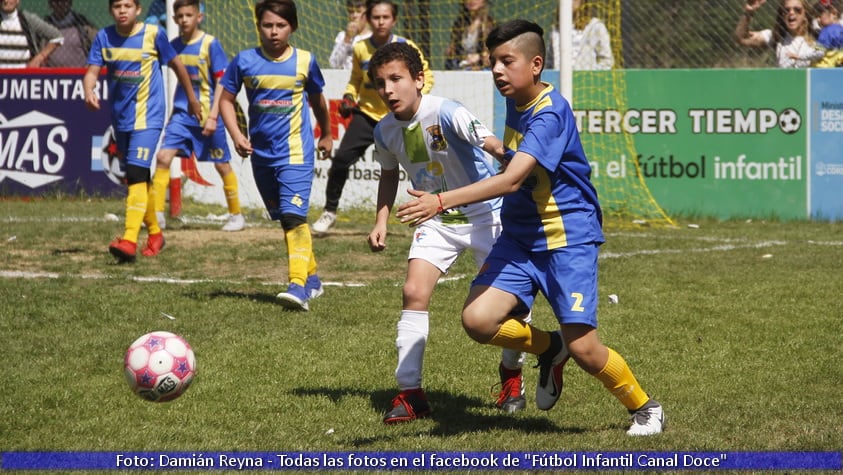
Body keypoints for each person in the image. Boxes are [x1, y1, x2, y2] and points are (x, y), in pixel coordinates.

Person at [396, 19, 665, 436]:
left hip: (566, 239)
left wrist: (440, 200)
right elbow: (514, 161)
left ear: (536, 64)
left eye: (507, 61)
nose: (497, 71)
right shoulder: (515, 99)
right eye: (493, 62)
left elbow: (512, 180)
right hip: (521, 236)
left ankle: (646, 408)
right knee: (478, 321)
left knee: (586, 349)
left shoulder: (550, 113)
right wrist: (499, 151)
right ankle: (549, 347)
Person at [366, 42, 528, 423]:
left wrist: (519, 163)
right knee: (413, 291)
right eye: (380, 83)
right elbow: (389, 175)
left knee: (510, 307)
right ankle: (410, 393)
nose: (388, 89)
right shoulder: (385, 130)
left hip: (487, 216)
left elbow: (492, 145)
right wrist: (381, 220)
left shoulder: (446, 111)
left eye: (396, 79)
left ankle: (512, 376)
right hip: (436, 220)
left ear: (418, 79)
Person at [218, 0, 332, 311]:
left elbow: (320, 102)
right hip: (261, 156)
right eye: (267, 25)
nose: (274, 31)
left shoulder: (305, 61)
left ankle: (297, 286)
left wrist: (326, 133)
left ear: (292, 27)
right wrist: (237, 135)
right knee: (285, 219)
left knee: (295, 216)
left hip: (296, 152)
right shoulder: (244, 61)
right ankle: (312, 279)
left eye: (280, 25)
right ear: (258, 26)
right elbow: (225, 100)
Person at [83, 0, 203, 263]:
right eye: (117, 6)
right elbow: (92, 71)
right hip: (121, 119)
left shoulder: (153, 34)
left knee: (136, 174)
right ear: (110, 11)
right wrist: (88, 90)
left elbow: (178, 66)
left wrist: (192, 99)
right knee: (138, 178)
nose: (122, 10)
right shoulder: (104, 36)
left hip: (148, 117)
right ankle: (156, 233)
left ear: (138, 10)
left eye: (128, 5)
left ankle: (128, 240)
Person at [311, 0, 434, 236]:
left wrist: (413, 103)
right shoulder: (359, 48)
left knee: (422, 166)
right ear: (368, 19)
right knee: (340, 161)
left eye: (385, 17)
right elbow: (355, 80)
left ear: (394, 20)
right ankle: (329, 212)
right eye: (376, 17)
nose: (380, 22)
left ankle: (429, 213)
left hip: (403, 119)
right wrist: (348, 95)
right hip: (367, 115)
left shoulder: (406, 46)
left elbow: (426, 75)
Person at [152, 0, 245, 232]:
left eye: (189, 15)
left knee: (222, 165)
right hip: (181, 116)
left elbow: (222, 82)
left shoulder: (210, 44)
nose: (184, 20)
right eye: (180, 16)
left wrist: (214, 116)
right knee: (163, 158)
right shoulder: (172, 46)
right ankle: (157, 215)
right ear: (174, 19)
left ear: (199, 17)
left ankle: (236, 215)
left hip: (207, 115)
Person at [736, 0, 824, 67]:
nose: (791, 13)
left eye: (797, 10)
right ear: (782, 14)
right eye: (786, 10)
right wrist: (749, 12)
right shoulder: (775, 36)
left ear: (805, 13)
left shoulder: (817, 38)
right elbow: (742, 38)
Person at [547, 0, 614, 70]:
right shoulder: (556, 30)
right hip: (558, 79)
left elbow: (607, 61)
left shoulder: (595, 26)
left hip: (586, 79)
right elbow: (549, 62)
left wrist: (591, 76)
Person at [0, 0, 63, 68]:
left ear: (17, 1)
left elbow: (57, 37)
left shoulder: (27, 19)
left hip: (22, 76)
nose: (5, 1)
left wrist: (39, 58)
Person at [444, 0, 495, 70]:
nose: (471, 1)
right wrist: (451, 51)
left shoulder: (489, 25)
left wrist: (479, 57)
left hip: (482, 67)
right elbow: (454, 50)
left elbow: (491, 56)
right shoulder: (459, 24)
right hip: (462, 63)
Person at [44, 0, 96, 68]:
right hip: (52, 75)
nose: (60, 4)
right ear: (50, 4)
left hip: (79, 74)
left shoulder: (84, 26)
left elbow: (98, 47)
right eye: (56, 1)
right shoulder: (44, 26)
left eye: (64, 1)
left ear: (70, 2)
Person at [328, 0, 371, 69]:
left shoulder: (372, 37)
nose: (354, 16)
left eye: (358, 12)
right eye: (351, 12)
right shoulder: (342, 36)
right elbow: (334, 64)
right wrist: (347, 39)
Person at [813, 0, 843, 66]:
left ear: (834, 13)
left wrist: (802, 56)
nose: (818, 19)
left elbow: (819, 53)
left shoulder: (826, 31)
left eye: (820, 14)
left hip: (823, 68)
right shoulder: (840, 30)